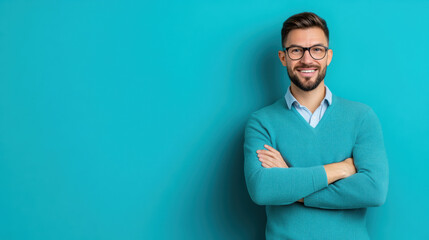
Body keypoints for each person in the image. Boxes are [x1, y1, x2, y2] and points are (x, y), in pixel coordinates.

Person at [243, 12, 389, 239]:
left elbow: (373, 191)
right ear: (283, 57)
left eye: (317, 50)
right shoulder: (262, 122)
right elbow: (263, 190)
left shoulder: (362, 117)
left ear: (328, 56)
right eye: (296, 50)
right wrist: (339, 169)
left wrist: (291, 183)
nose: (307, 59)